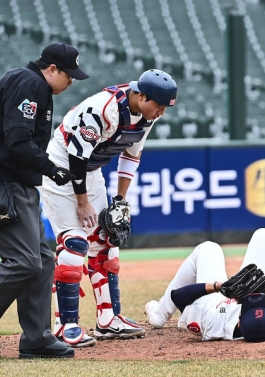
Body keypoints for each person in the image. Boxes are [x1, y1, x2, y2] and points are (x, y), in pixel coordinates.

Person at [0, 42, 89, 359]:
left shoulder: (30, 83)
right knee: (25, 262)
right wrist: (50, 169)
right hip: (3, 184)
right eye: (68, 75)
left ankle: (36, 339)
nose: (71, 82)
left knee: (42, 258)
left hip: (14, 183)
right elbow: (16, 139)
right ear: (51, 69)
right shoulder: (30, 83)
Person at [41, 69, 177, 347]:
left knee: (104, 242)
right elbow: (76, 157)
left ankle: (108, 320)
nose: (160, 113)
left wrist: (120, 201)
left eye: (164, 108)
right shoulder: (102, 109)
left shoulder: (146, 114)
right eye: (159, 106)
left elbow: (130, 156)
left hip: (91, 172)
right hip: (60, 169)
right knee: (75, 244)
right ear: (141, 95)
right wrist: (82, 202)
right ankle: (64, 325)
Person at [143, 228, 265, 342]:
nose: (253, 298)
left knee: (209, 248)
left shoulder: (213, 324)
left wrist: (218, 286)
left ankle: (159, 315)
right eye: (261, 301)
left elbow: (179, 297)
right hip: (255, 286)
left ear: (239, 323)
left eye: (248, 303)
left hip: (215, 301)